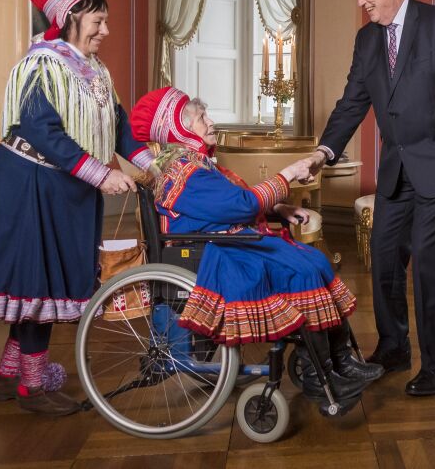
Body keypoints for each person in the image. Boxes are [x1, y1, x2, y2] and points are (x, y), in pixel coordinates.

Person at [0, 0, 154, 416]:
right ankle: (33, 384)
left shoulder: (94, 71)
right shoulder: (42, 65)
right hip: (28, 183)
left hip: (65, 187)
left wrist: (154, 168)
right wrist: (100, 174)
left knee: (43, 282)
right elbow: (40, 131)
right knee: (38, 282)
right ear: (69, 17)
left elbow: (119, 128)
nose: (105, 31)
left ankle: (9, 372)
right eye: (98, 21)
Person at [306, 0, 435, 397]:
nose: (360, 2)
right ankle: (393, 348)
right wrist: (323, 150)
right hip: (397, 167)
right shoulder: (367, 40)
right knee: (385, 257)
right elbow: (353, 101)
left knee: (429, 260)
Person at [129, 87, 382, 412]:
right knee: (303, 269)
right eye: (202, 117)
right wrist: (287, 175)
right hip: (212, 254)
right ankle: (320, 379)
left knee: (316, 259)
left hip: (225, 241)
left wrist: (279, 210)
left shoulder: (195, 165)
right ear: (178, 127)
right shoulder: (185, 173)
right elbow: (241, 204)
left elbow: (234, 205)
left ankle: (340, 361)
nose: (211, 122)